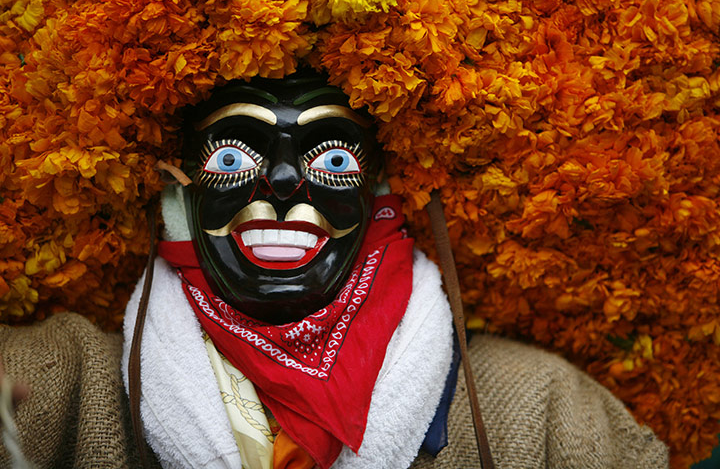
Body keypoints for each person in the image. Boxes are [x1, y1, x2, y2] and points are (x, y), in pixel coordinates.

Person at [0, 74, 669, 469]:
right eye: (233, 158)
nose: (287, 184)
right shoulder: (69, 377)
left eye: (335, 161)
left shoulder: (537, 406)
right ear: (178, 191)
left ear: (382, 195)